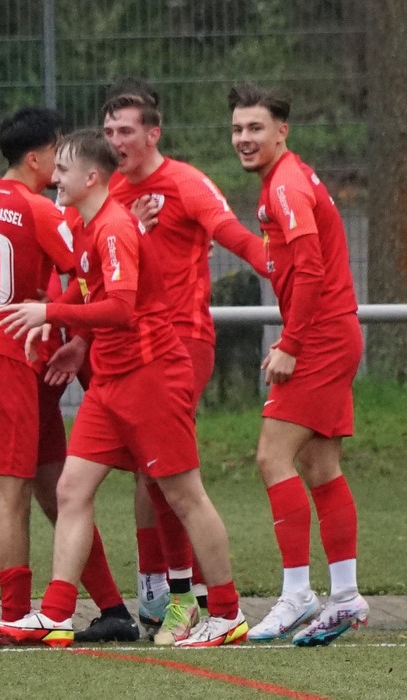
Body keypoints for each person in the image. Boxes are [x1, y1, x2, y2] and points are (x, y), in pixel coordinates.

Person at [0, 129, 247, 648]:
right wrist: (66, 327)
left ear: (91, 177)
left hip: (151, 377)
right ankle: (56, 615)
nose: (54, 177)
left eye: (62, 170)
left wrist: (51, 312)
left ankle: (226, 613)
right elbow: (90, 289)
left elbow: (122, 308)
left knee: (184, 495)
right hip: (110, 381)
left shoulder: (113, 228)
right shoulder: (89, 225)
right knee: (70, 490)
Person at [0, 119, 138, 645]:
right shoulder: (41, 210)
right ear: (36, 159)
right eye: (58, 155)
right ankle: (10, 613)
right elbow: (89, 270)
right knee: (17, 492)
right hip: (10, 361)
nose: (61, 169)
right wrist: (66, 318)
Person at [101, 77, 268, 643]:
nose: (115, 141)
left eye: (125, 131)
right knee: (136, 474)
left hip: (181, 343)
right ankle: (165, 592)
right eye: (108, 131)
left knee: (163, 472)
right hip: (127, 348)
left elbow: (232, 234)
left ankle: (191, 599)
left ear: (153, 134)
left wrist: (280, 264)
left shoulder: (186, 183)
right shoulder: (109, 191)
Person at [228, 82, 368, 646]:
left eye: (255, 128)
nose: (244, 138)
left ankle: (296, 594)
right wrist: (213, 225)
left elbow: (309, 269)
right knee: (319, 466)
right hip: (333, 332)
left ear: (282, 131)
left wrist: (290, 342)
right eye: (237, 128)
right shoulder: (285, 181)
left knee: (272, 456)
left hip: (321, 338)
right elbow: (280, 262)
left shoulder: (285, 184)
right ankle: (346, 595)